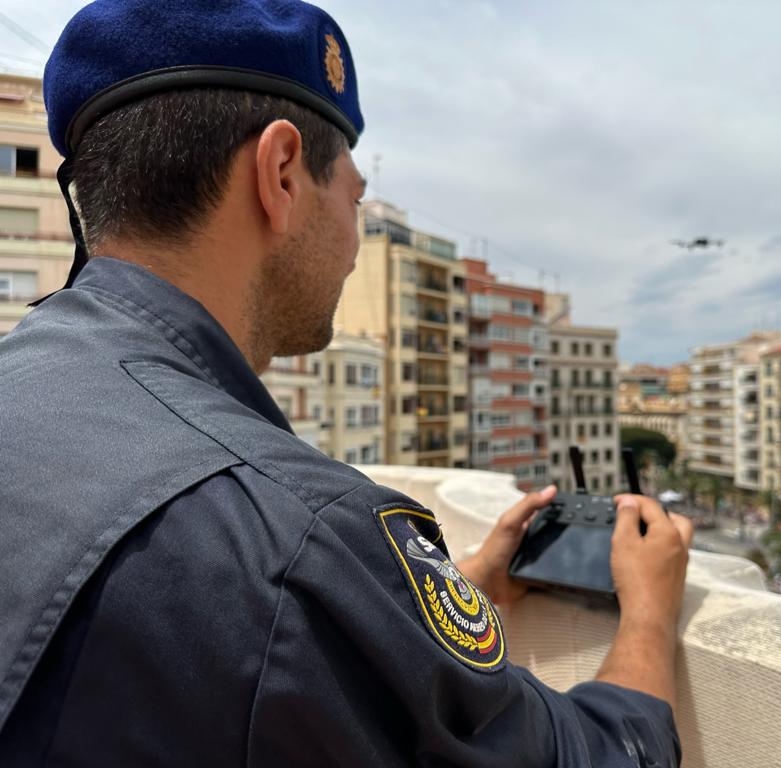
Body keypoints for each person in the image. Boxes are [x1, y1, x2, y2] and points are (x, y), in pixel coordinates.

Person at [0, 1, 694, 765]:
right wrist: (652, 611)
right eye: (355, 198)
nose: (356, 243)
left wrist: (409, 608)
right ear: (282, 174)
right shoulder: (301, 532)